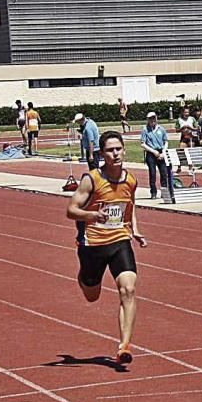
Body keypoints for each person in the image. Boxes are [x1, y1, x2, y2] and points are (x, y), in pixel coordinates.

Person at [66, 131, 147, 365]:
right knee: (92, 295)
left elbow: (129, 206)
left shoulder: (130, 180)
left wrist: (135, 229)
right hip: (92, 244)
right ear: (102, 154)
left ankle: (124, 346)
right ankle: (84, 277)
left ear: (124, 150)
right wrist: (93, 214)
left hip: (120, 240)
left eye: (118, 149)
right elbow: (71, 210)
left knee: (128, 289)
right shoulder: (91, 180)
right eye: (110, 150)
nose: (115, 154)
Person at [140, 112, 169, 199]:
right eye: (150, 119)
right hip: (151, 153)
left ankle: (164, 191)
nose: (152, 120)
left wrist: (163, 152)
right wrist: (153, 151)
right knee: (152, 173)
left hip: (161, 152)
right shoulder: (145, 130)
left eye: (154, 118)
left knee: (164, 173)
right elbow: (143, 143)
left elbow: (166, 141)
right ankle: (153, 192)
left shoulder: (161, 129)